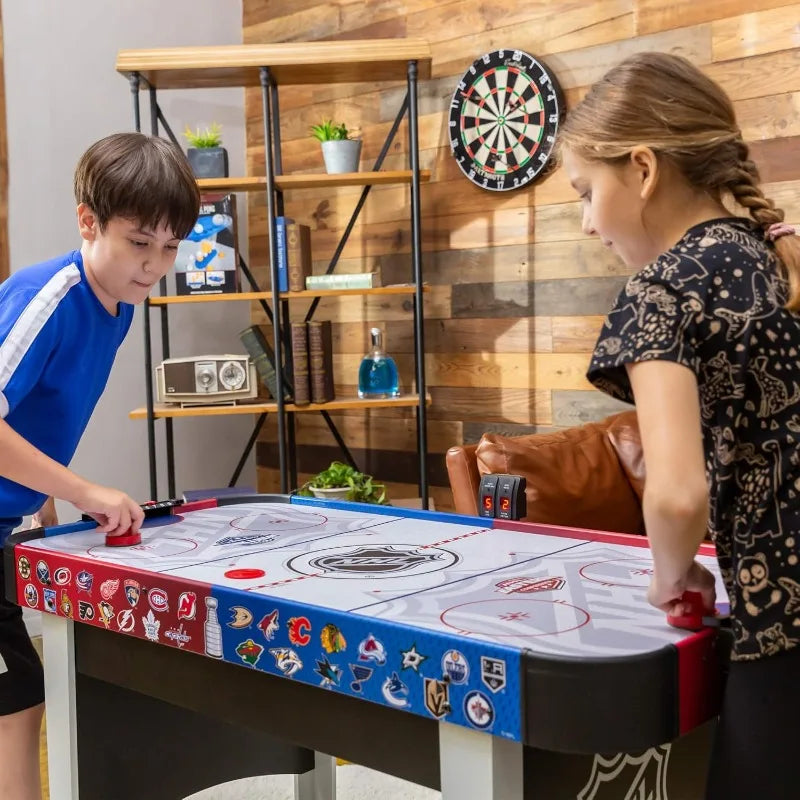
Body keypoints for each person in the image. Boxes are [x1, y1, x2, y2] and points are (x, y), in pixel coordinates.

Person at [558, 51, 800, 798]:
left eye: (587, 192)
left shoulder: (659, 291)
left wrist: (674, 575)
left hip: (783, 624)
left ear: (642, 168)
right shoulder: (775, 259)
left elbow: (674, 496)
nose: (588, 220)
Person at [0, 132, 200, 800]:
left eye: (169, 247)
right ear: (88, 222)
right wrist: (83, 489)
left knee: (18, 693)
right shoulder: (53, 296)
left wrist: (42, 494)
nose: (154, 265)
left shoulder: (116, 304)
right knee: (15, 695)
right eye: (139, 243)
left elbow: (39, 411)